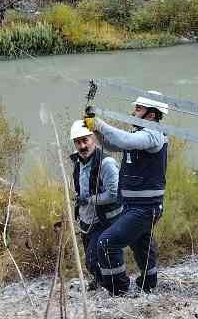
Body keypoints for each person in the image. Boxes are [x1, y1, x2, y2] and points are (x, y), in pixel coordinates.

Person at [83, 91, 169, 296]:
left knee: (107, 242)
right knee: (141, 244)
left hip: (145, 207)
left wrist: (99, 124)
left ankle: (118, 289)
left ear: (151, 114)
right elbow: (115, 144)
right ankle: (148, 283)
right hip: (135, 205)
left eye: (138, 109)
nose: (133, 112)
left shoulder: (153, 134)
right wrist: (97, 132)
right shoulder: (140, 133)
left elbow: (125, 141)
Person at [69, 120, 121, 291]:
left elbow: (114, 194)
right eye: (78, 142)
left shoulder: (106, 164)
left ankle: (115, 287)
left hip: (104, 220)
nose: (82, 145)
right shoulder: (78, 162)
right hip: (86, 220)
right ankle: (101, 282)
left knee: (95, 258)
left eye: (85, 140)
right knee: (90, 261)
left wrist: (90, 200)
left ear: (94, 139)